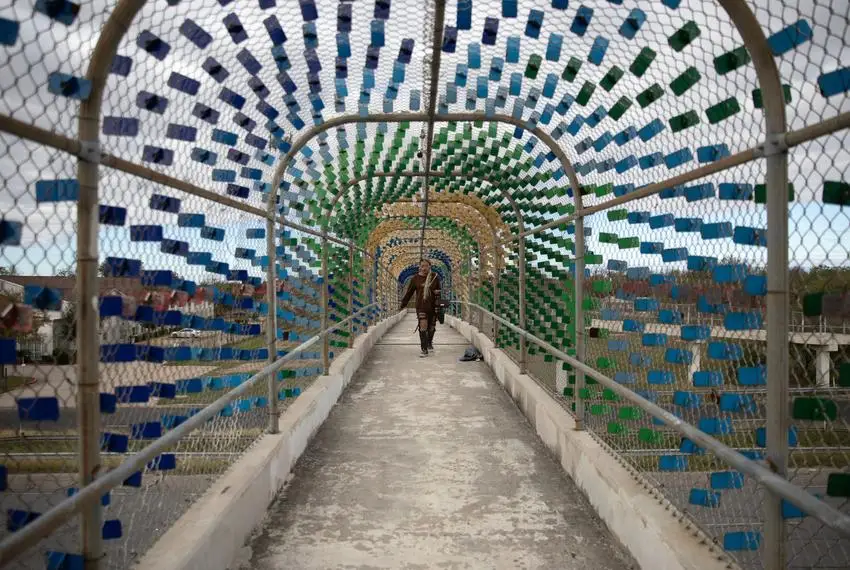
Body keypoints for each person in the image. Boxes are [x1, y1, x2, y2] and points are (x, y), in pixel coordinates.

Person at [400, 259, 441, 357]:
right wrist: (403, 304)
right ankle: (424, 349)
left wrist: (438, 301)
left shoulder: (434, 277)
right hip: (421, 306)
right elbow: (409, 292)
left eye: (426, 266)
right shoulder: (415, 278)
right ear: (419, 267)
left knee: (431, 327)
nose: (424, 268)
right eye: (422, 266)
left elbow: (439, 291)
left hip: (433, 306)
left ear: (430, 266)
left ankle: (429, 342)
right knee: (423, 326)